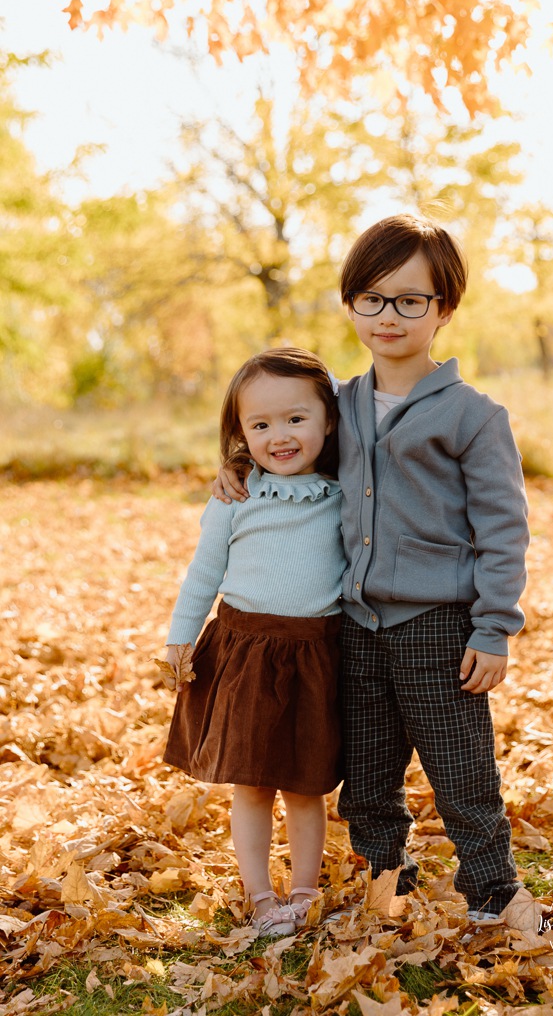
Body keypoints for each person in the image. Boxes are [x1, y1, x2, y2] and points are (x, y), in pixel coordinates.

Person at [215, 214, 529, 923]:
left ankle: (493, 890)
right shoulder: (338, 404)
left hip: (436, 625)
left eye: (410, 300)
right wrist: (238, 468)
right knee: (365, 775)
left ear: (443, 309)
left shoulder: (473, 416)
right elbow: (282, 442)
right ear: (351, 302)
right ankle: (386, 881)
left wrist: (493, 628)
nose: (389, 316)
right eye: (372, 298)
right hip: (351, 625)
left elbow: (503, 530)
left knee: (460, 771)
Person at [163, 347, 345, 937]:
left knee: (306, 781)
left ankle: (305, 890)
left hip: (316, 654)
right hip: (245, 654)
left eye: (296, 418)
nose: (280, 435)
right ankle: (261, 896)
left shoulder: (345, 492)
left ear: (329, 420)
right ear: (239, 434)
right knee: (253, 781)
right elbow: (203, 571)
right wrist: (178, 638)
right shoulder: (236, 496)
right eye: (259, 424)